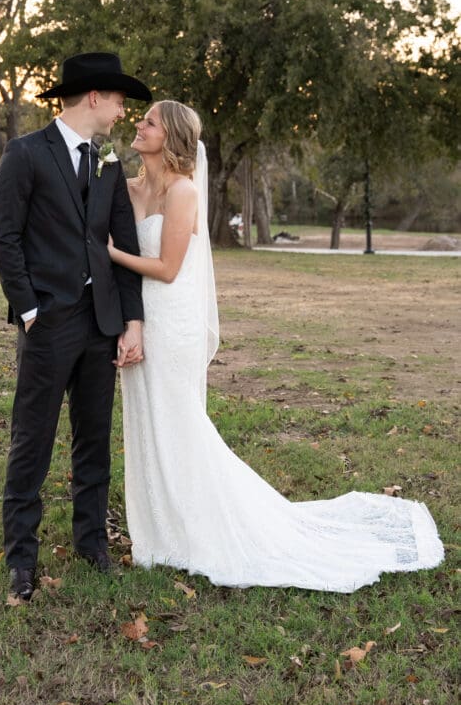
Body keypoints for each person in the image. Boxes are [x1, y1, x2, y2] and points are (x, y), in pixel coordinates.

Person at [109, 101, 444, 592]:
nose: (138, 125)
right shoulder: (128, 186)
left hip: (172, 320)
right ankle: (159, 533)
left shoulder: (183, 193)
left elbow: (168, 268)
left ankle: (200, 528)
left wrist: (110, 253)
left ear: (173, 137)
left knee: (177, 421)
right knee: (146, 420)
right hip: (140, 319)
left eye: (150, 121)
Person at [0, 52, 151, 601]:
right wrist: (30, 310)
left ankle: (92, 544)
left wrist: (132, 320)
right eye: (118, 99)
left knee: (94, 440)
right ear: (93, 98)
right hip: (48, 323)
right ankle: (21, 561)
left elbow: (124, 248)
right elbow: (5, 239)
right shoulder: (26, 154)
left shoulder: (107, 163)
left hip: (101, 324)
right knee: (31, 441)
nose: (123, 110)